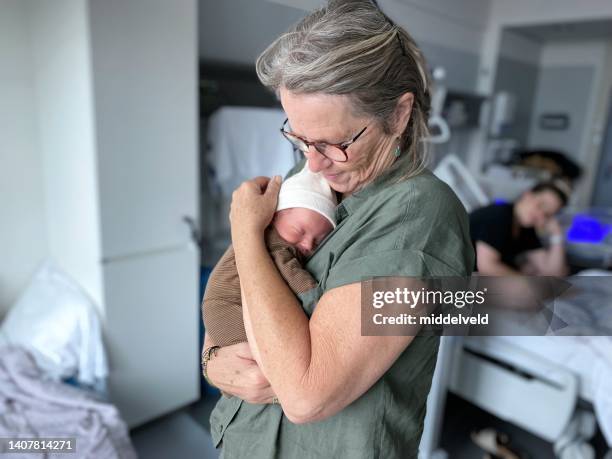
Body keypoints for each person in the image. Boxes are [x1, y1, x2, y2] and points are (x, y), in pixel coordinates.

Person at [202, 1, 474, 457]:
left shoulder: (418, 217)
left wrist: (245, 232)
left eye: (333, 142)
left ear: (399, 114)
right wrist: (213, 361)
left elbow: (307, 395)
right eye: (299, 137)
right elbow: (237, 290)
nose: (312, 160)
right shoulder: (310, 178)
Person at [202, 164, 336, 349]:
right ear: (273, 217)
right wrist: (317, 301)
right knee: (270, 353)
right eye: (299, 231)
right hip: (228, 309)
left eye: (319, 239)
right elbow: (293, 275)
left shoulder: (280, 232)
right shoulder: (274, 243)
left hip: (219, 310)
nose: (308, 244)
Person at [469, 180, 570, 276]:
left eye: (547, 214)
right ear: (528, 195)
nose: (540, 214)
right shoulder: (499, 214)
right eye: (541, 205)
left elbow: (553, 272)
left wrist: (557, 235)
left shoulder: (526, 229)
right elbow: (486, 266)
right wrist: (529, 284)